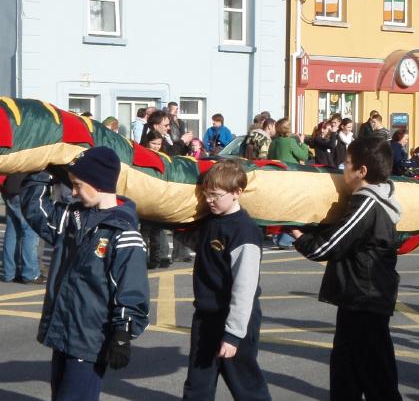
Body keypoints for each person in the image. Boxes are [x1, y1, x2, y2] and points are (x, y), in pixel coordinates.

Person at [19, 146, 150, 401]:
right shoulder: (72, 216)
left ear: (98, 183)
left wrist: (123, 333)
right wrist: (44, 169)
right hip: (64, 334)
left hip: (90, 339)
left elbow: (131, 287)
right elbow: (36, 209)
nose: (74, 191)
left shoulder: (122, 232)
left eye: (78, 185)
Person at [291, 137, 403, 401]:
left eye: (347, 163)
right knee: (346, 378)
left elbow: (328, 246)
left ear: (361, 171)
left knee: (377, 381)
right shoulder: (370, 200)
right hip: (359, 299)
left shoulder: (367, 204)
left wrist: (298, 236)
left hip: (364, 301)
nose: (342, 168)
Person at [182, 159, 271, 401]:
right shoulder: (211, 221)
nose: (209, 200)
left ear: (236, 193)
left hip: (234, 320)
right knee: (197, 385)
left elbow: (244, 288)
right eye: (205, 194)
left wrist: (233, 335)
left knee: (246, 385)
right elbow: (197, 245)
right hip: (206, 317)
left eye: (215, 195)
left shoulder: (244, 231)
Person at [1, 173, 45, 284]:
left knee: (12, 231)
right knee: (30, 230)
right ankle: (30, 274)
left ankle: (9, 272)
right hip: (22, 187)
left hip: (8, 186)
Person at [140, 130, 172, 268]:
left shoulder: (163, 156)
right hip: (145, 196)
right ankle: (142, 258)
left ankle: (155, 259)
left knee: (156, 231)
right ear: (148, 142)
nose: (156, 146)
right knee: (144, 231)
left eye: (159, 144)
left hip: (158, 196)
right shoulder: (142, 154)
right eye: (153, 143)